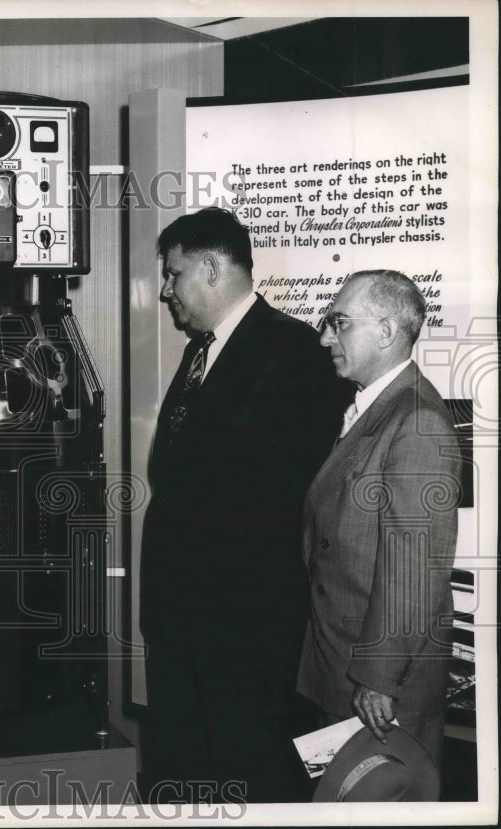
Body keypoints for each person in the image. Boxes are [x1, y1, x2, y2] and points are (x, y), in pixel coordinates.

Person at [139, 208, 349, 803]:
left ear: (212, 267)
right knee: (188, 766)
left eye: (174, 274)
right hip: (187, 618)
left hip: (245, 622)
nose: (165, 290)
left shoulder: (294, 352)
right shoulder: (202, 352)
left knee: (251, 766)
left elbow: (283, 493)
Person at [297, 270, 460, 782]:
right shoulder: (376, 409)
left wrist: (378, 680)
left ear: (387, 331)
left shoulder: (416, 422)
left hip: (379, 691)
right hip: (344, 669)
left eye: (339, 322)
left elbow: (414, 570)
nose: (325, 337)